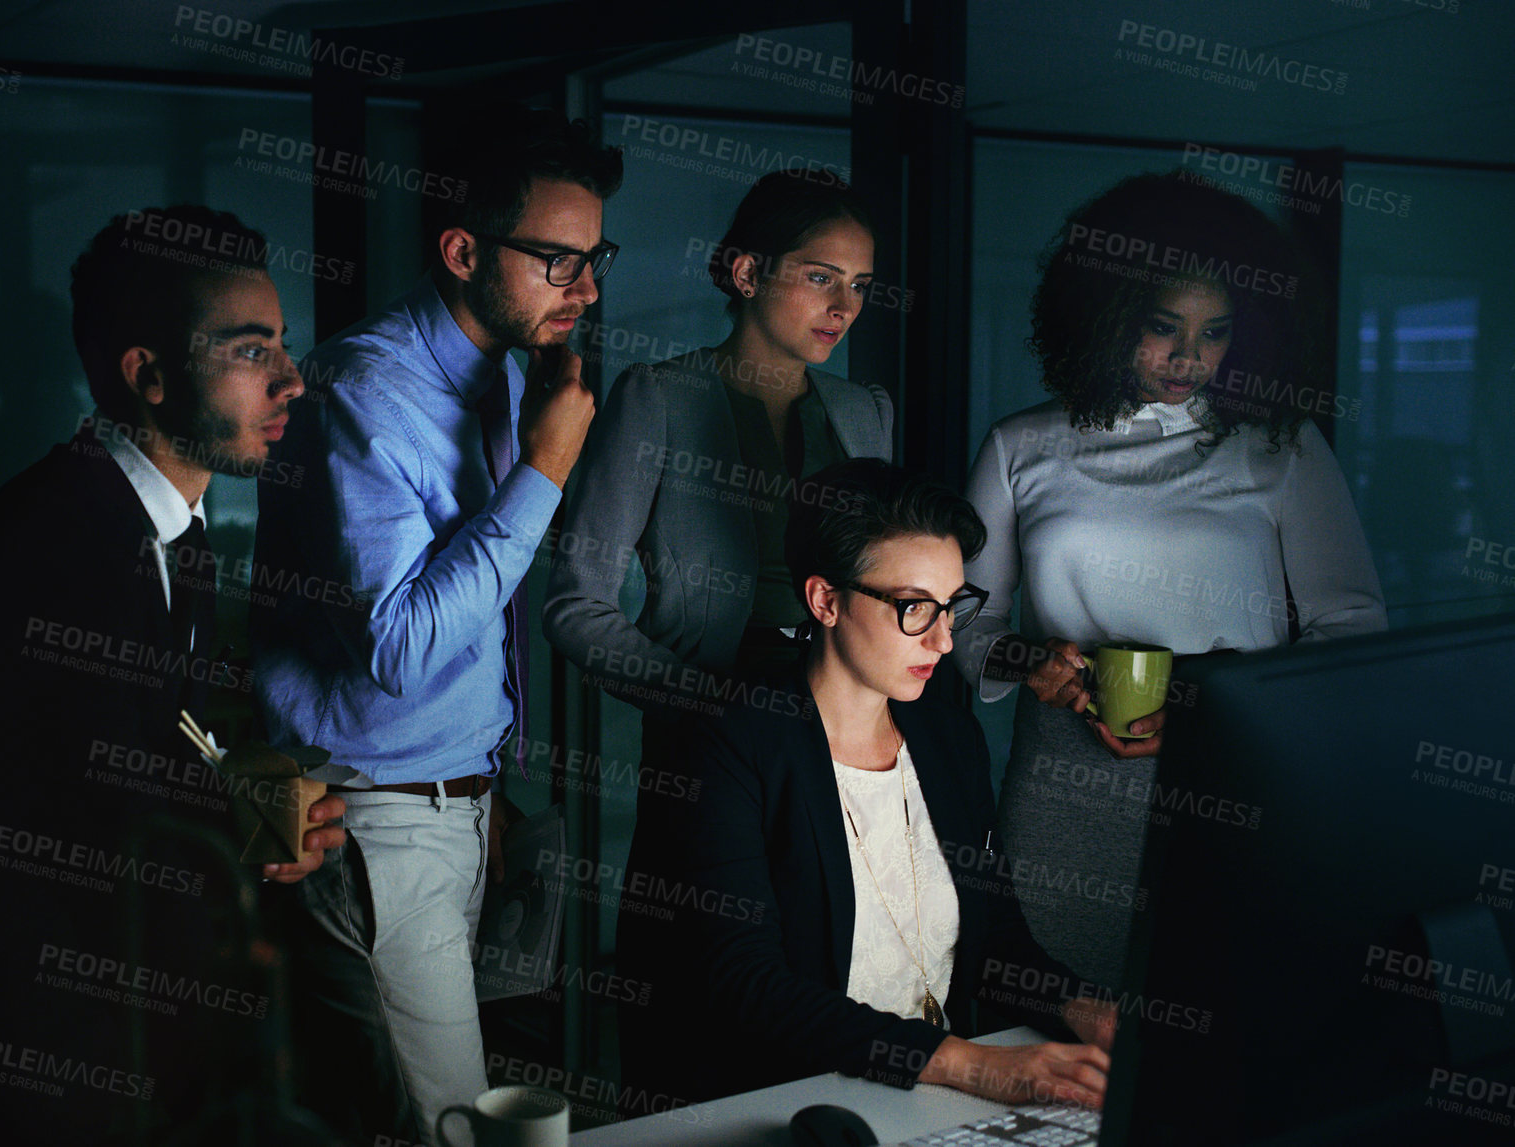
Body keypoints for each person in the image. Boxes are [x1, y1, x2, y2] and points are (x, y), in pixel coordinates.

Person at [0, 205, 347, 1143]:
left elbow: (139, 738)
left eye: (284, 347)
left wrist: (254, 795)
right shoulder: (64, 547)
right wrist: (244, 813)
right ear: (149, 376)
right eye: (253, 352)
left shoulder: (164, 528)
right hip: (12, 1041)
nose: (292, 381)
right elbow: (66, 814)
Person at [251, 107, 623, 1144]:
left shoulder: (503, 374)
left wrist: (481, 780)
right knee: (453, 1128)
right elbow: (401, 654)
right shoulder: (361, 392)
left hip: (450, 804)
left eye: (595, 260)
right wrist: (545, 470)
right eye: (558, 260)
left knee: (414, 1115)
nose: (586, 290)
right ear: (463, 251)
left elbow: (469, 627)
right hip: (371, 819)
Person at [953, 171, 1387, 988]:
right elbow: (964, 625)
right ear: (1102, 314)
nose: (1190, 357)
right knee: (1055, 1019)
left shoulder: (1281, 446)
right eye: (1162, 327)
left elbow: (1351, 628)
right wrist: (1031, 664)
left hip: (1233, 770)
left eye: (1216, 332)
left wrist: (1216, 701)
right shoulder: (1021, 447)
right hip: (1066, 784)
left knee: (1226, 1017)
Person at [618, 459, 1116, 1109]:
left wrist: (1087, 1010)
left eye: (953, 607)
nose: (943, 640)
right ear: (826, 600)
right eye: (913, 608)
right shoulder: (724, 742)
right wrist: (971, 1063)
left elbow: (998, 939)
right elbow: (746, 984)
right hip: (788, 1101)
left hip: (925, 1099)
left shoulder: (949, 740)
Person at [544, 167, 892, 720]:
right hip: (704, 730)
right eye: (822, 278)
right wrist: (707, 701)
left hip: (840, 723)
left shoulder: (865, 412)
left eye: (860, 285)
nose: (844, 307)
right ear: (749, 272)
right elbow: (577, 608)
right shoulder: (658, 398)